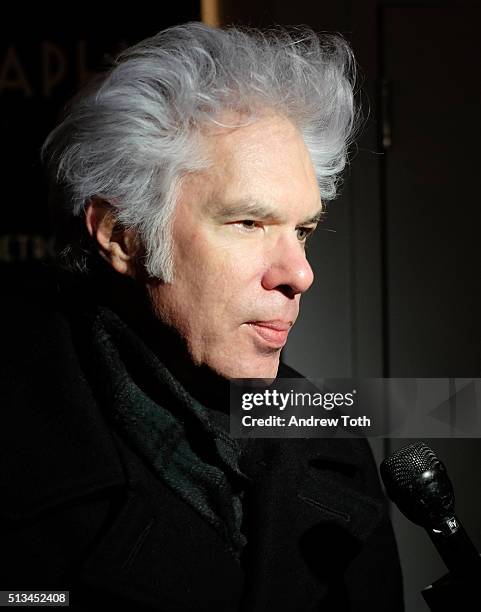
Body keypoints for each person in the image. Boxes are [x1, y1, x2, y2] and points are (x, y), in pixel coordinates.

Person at [0, 23, 403, 611]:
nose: (300, 272)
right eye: (248, 224)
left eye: (304, 231)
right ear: (122, 235)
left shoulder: (326, 427)